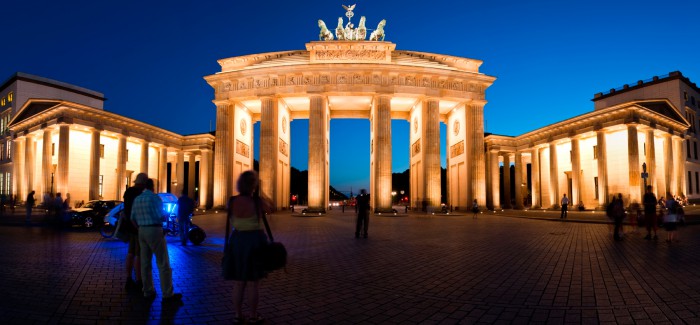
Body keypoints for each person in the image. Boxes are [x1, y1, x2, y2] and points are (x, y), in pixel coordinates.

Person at [225, 170, 273, 323]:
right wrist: (261, 192)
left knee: (239, 283)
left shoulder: (231, 201)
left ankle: (238, 315)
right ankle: (253, 315)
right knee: (253, 283)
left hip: (237, 241)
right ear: (254, 185)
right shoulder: (257, 202)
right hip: (255, 242)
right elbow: (271, 208)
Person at [131, 175, 182, 302]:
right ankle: (167, 293)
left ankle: (147, 291)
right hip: (154, 230)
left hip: (141, 230)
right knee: (163, 262)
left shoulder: (137, 199)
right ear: (152, 187)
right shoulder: (156, 198)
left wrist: (139, 228)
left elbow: (132, 218)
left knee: (145, 263)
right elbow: (161, 216)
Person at [122, 173, 146, 292]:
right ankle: (139, 280)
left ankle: (128, 278)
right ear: (142, 183)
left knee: (130, 253)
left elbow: (126, 209)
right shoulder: (139, 194)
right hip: (137, 226)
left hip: (129, 226)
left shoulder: (128, 192)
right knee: (138, 254)